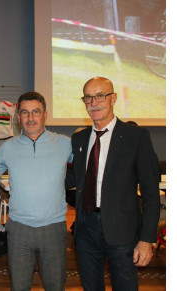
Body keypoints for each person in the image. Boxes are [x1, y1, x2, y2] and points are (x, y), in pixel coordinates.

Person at [66, 77, 160, 290]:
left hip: (123, 232)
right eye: (88, 97)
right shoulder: (79, 139)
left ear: (113, 98)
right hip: (85, 228)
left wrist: (146, 240)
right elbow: (74, 179)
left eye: (100, 96)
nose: (93, 102)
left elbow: (151, 194)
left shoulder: (136, 136)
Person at [0, 91, 72, 291]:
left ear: (45, 115)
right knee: (19, 287)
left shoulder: (65, 144)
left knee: (55, 286)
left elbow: (89, 169)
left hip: (54, 228)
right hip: (19, 229)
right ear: (18, 117)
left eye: (36, 112)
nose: (30, 118)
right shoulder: (7, 148)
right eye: (25, 113)